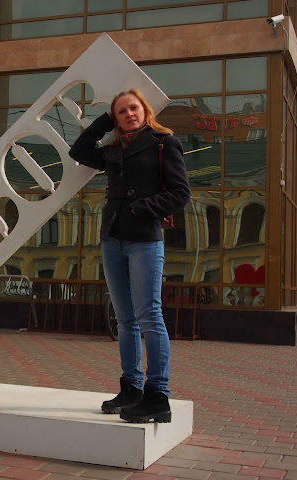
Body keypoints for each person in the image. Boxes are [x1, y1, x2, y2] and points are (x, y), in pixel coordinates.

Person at [69, 89, 190, 423]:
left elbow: (181, 193)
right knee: (124, 320)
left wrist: (143, 208)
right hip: (112, 238)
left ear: (144, 109)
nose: (128, 114)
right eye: (120, 112)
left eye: (133, 108)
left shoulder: (164, 142)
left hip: (144, 240)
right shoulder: (112, 151)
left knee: (149, 315)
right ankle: (131, 388)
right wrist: (104, 120)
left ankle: (157, 396)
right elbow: (78, 150)